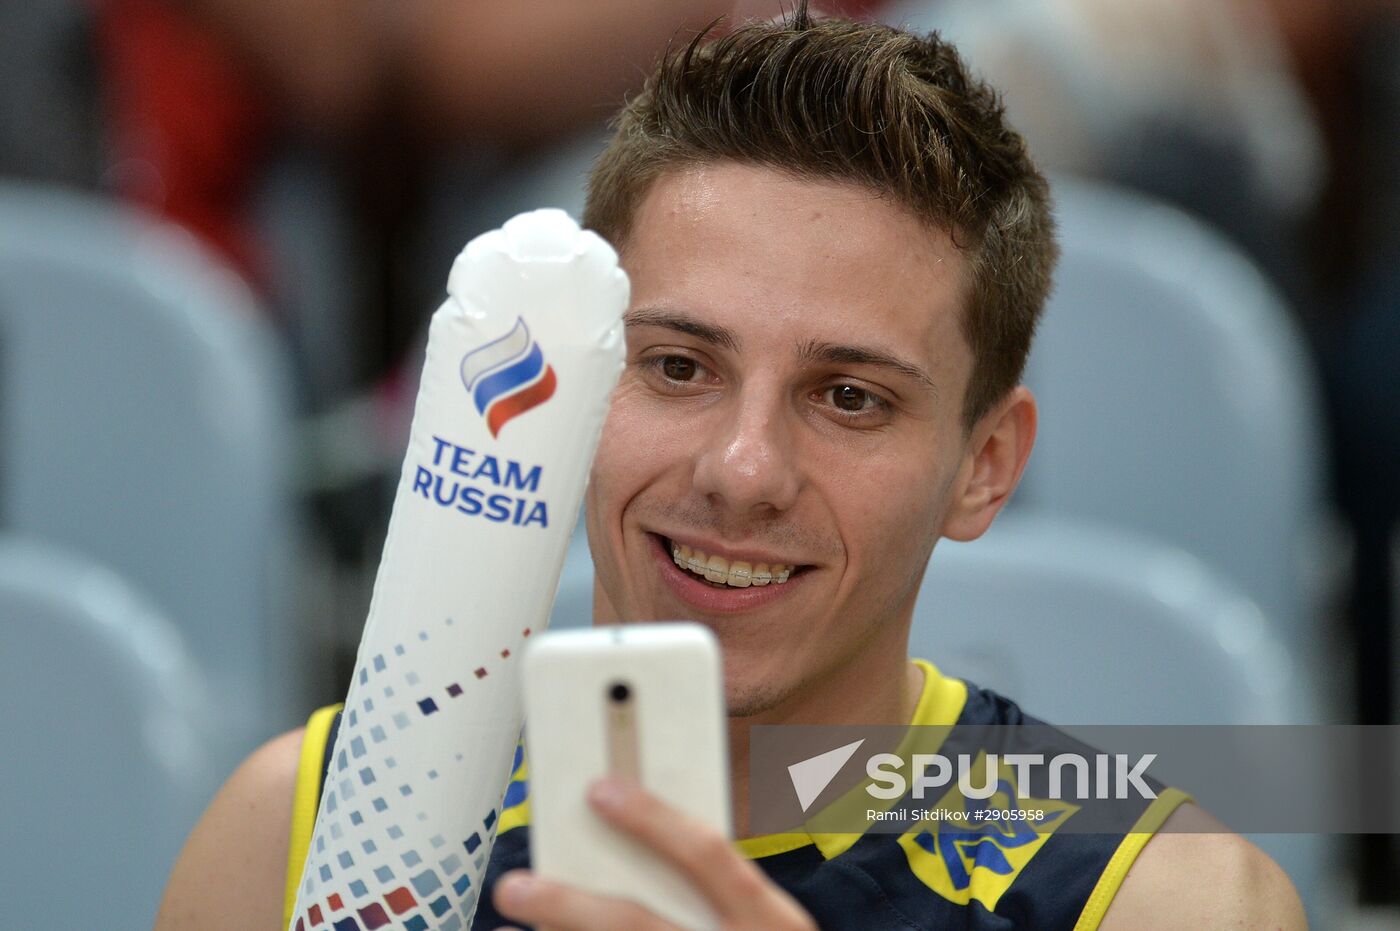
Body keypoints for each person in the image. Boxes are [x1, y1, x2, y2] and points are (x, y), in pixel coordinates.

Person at [156, 9, 1305, 929]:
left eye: (848, 396)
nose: (743, 468)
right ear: (582, 389)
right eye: (676, 365)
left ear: (983, 466)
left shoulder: (1162, 895)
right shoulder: (300, 832)